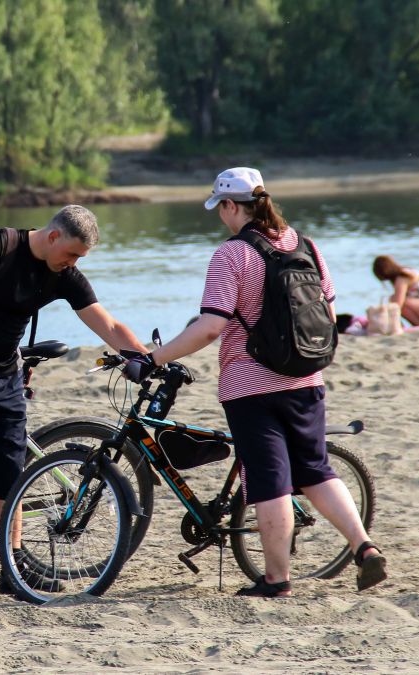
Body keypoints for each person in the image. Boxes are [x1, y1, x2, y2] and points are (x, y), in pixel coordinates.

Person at [123, 167, 386, 598]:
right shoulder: (307, 245)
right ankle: (364, 547)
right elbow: (326, 307)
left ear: (231, 206)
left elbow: (210, 327)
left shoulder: (232, 255)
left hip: (252, 386)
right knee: (316, 469)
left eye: (220, 209)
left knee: (269, 481)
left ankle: (276, 579)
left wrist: (155, 357)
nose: (220, 218)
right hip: (306, 377)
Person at [0, 205, 147, 602]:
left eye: (80, 258)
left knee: (9, 477)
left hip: (6, 378)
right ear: (53, 236)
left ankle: (10, 569)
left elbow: (108, 325)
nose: (73, 263)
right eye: (72, 253)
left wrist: (144, 358)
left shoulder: (62, 273)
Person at [371, 255, 419, 328]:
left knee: (398, 302)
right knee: (396, 301)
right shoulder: (408, 272)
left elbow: (397, 304)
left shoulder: (402, 278)